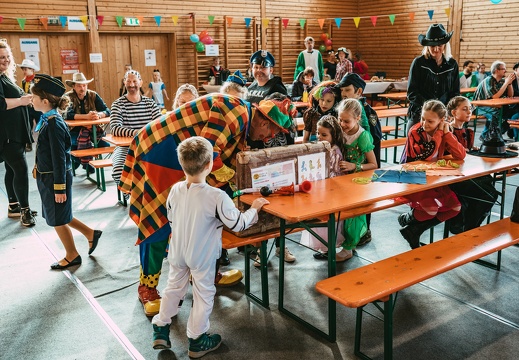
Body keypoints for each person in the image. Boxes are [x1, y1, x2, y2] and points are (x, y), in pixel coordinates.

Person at [118, 95, 293, 316]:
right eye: (273, 132)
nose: (269, 138)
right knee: (159, 220)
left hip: (181, 153)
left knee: (210, 213)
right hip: (160, 151)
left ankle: (207, 274)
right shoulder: (237, 112)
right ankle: (148, 288)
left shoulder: (243, 118)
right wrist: (230, 177)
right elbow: (208, 148)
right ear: (265, 122)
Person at [151, 136, 269, 356]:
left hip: (177, 251)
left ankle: (161, 327)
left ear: (182, 163)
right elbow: (238, 223)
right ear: (209, 165)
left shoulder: (175, 189)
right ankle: (197, 339)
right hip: (202, 255)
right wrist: (255, 207)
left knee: (173, 288)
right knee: (203, 294)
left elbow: (171, 218)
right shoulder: (216, 196)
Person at [30, 74, 102, 269]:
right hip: (48, 177)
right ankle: (90, 233)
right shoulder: (49, 119)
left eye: (33, 97)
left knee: (57, 218)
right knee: (59, 215)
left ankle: (72, 254)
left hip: (55, 178)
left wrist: (60, 188)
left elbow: (60, 159)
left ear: (45, 101)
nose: (31, 100)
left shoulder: (53, 123)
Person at [398, 100, 466, 249]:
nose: (424, 123)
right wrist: (440, 133)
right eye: (423, 118)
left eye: (430, 121)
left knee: (455, 208)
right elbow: (427, 157)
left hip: (433, 178)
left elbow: (461, 154)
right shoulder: (415, 132)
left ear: (441, 121)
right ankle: (407, 219)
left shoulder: (445, 131)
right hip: (412, 176)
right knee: (430, 210)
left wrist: (447, 134)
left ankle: (414, 230)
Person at [335, 73, 382, 245]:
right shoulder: (342, 113)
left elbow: (375, 141)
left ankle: (364, 232)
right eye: (342, 91)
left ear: (359, 91)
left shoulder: (368, 112)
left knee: (362, 208)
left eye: (347, 90)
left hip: (362, 167)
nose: (344, 94)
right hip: (346, 172)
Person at [446, 96, 499, 234]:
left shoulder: (468, 132)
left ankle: (468, 225)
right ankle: (468, 228)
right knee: (488, 194)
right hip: (454, 176)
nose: (469, 112)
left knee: (490, 188)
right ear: (453, 113)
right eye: (464, 109)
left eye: (470, 109)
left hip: (467, 173)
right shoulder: (447, 132)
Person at [0, 40, 37, 227]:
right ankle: (25, 211)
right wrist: (22, 101)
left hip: (14, 133)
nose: (5, 60)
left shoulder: (4, 77)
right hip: (7, 136)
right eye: (1, 57)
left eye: (7, 57)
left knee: (11, 169)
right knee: (21, 169)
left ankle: (14, 206)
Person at [337, 98, 377, 260]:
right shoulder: (340, 131)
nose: (342, 124)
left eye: (346, 121)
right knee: (340, 215)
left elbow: (373, 164)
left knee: (353, 216)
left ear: (358, 118)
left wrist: (355, 167)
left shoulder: (362, 137)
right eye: (340, 119)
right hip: (341, 179)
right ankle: (337, 243)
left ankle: (349, 248)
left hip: (356, 181)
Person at [303, 115, 346, 260]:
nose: (320, 137)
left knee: (330, 222)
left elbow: (334, 172)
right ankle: (326, 248)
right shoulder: (321, 148)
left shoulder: (334, 151)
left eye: (324, 135)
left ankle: (330, 248)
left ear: (333, 135)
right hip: (322, 189)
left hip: (331, 190)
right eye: (318, 133)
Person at [110, 69, 162, 186]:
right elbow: (115, 128)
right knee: (118, 170)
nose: (131, 84)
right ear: (124, 82)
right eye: (128, 81)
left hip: (149, 145)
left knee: (163, 166)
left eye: (134, 81)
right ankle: (133, 198)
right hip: (125, 147)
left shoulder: (150, 104)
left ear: (141, 82)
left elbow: (159, 125)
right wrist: (139, 132)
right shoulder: (118, 104)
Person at [407, 23, 460, 133]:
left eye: (440, 45)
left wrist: (448, 111)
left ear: (445, 45)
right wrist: (430, 108)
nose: (436, 49)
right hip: (420, 114)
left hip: (443, 115)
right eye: (432, 46)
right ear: (427, 46)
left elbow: (455, 92)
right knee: (413, 143)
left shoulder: (452, 64)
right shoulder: (418, 63)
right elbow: (412, 92)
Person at [64, 72, 111, 172]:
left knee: (105, 145)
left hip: (93, 129)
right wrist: (87, 117)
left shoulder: (93, 95)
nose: (82, 88)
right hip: (74, 130)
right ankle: (85, 162)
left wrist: (98, 115)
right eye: (79, 85)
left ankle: (82, 161)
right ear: (73, 86)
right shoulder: (68, 97)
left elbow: (107, 110)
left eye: (84, 85)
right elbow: (67, 114)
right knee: (71, 147)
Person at [473, 60, 515, 140]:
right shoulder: (489, 80)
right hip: (480, 107)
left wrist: (509, 83)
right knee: (496, 113)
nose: (505, 71)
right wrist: (506, 83)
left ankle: (496, 134)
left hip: (493, 106)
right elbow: (495, 97)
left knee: (510, 113)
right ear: (497, 70)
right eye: (503, 69)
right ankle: (486, 135)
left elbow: (510, 95)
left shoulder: (501, 81)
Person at [17, 59, 40, 152]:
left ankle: (43, 141)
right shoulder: (23, 81)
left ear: (32, 69)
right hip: (28, 107)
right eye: (23, 69)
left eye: (26, 69)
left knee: (41, 124)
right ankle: (28, 143)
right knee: (28, 125)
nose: (24, 71)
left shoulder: (37, 80)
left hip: (37, 106)